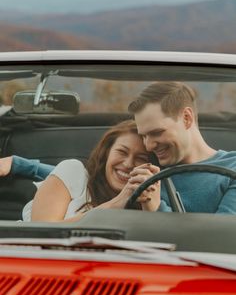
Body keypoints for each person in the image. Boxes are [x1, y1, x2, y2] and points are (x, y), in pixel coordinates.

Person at [1, 120, 160, 222]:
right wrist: (116, 204)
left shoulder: (153, 199)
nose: (128, 163)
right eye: (122, 152)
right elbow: (41, 234)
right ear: (106, 154)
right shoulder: (73, 173)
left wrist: (150, 211)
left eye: (141, 158)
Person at [128, 81, 236, 214]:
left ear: (186, 118)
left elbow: (223, 233)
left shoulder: (232, 168)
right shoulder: (145, 171)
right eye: (144, 136)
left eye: (157, 132)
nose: (149, 146)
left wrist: (156, 208)